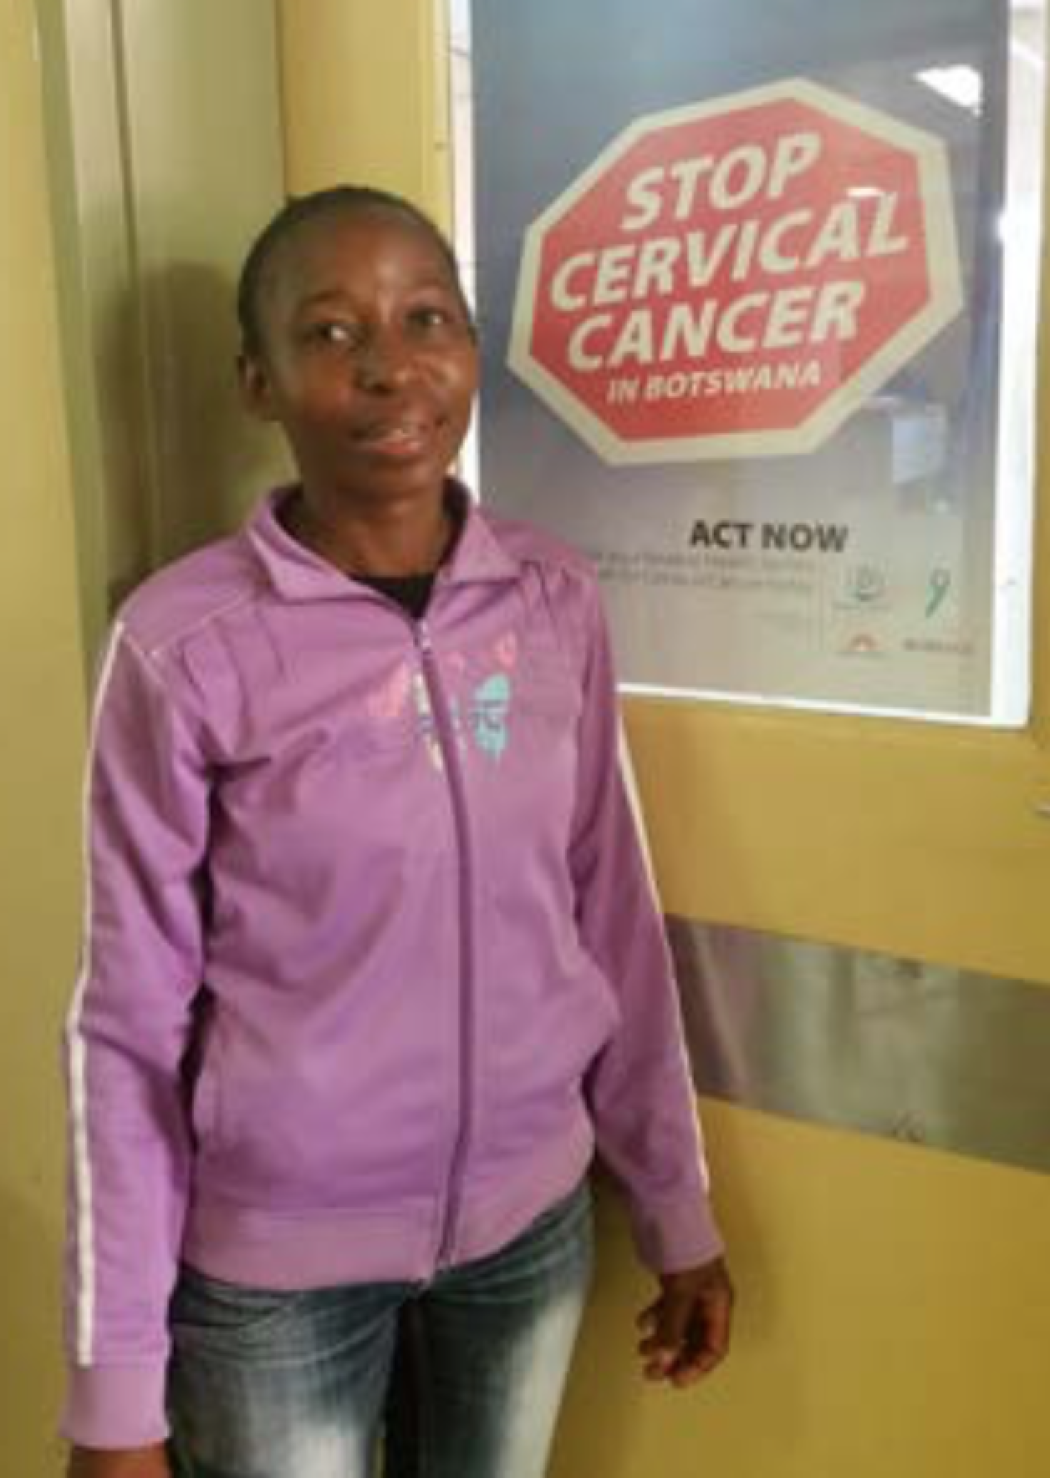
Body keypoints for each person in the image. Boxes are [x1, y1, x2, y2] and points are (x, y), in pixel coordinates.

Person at [62, 185, 734, 1478]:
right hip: (274, 1274)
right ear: (257, 381)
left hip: (528, 1227)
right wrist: (114, 1394)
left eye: (426, 316)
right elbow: (123, 1027)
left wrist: (674, 1204)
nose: (389, 363)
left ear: (472, 352)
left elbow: (609, 909)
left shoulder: (551, 600)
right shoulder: (183, 643)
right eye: (330, 331)